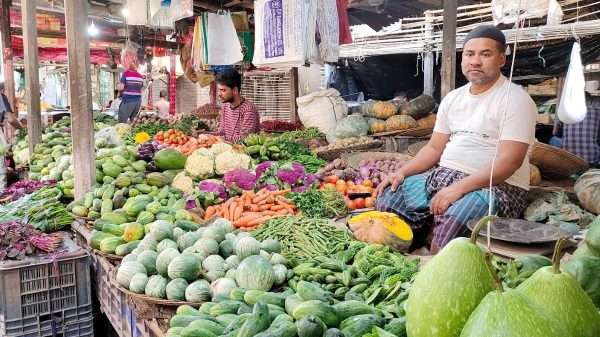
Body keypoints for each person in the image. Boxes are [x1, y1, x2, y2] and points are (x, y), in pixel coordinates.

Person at [374, 25, 537, 253]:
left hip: (495, 187)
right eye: (470, 54)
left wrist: (458, 189)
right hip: (444, 176)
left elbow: (508, 162)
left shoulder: (516, 100)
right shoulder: (453, 98)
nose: (475, 61)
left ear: (501, 59)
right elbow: (433, 148)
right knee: (390, 198)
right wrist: (401, 172)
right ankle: (423, 234)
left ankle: (437, 242)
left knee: (460, 215)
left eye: (485, 54)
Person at [214, 69, 259, 143]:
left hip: (243, 152)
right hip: (228, 151)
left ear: (235, 90)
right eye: (219, 90)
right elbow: (221, 132)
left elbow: (244, 140)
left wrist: (222, 140)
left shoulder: (248, 110)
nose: (219, 94)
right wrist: (204, 134)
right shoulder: (225, 106)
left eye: (223, 90)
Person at [0, 82, 24, 192]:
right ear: (3, 90)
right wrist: (23, 129)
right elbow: (11, 119)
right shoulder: (1, 97)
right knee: (0, 169)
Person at [118, 52, 144, 123]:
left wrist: (119, 86)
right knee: (134, 122)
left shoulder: (126, 74)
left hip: (128, 101)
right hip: (138, 102)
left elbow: (121, 88)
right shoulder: (140, 76)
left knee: (122, 122)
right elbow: (141, 90)